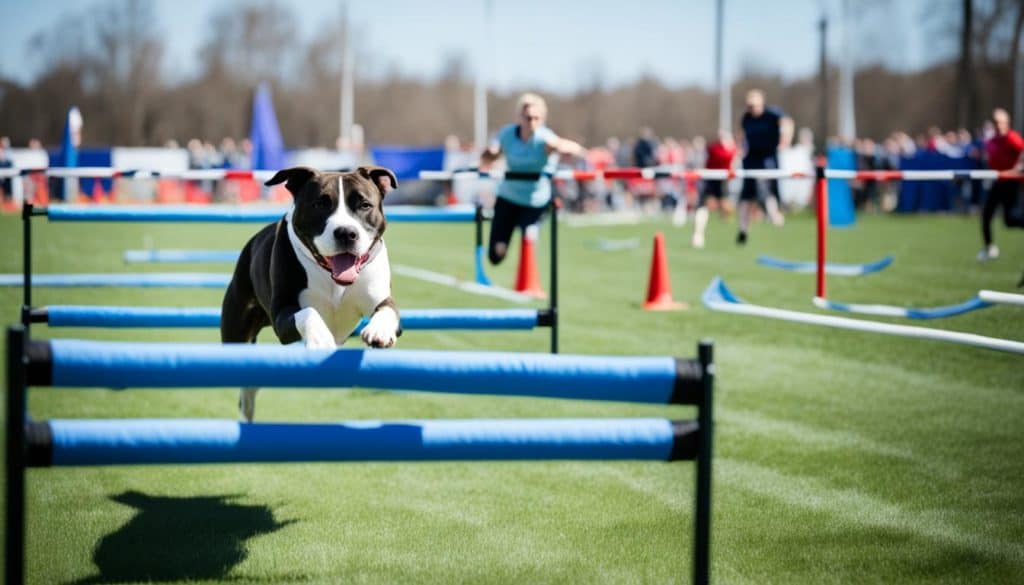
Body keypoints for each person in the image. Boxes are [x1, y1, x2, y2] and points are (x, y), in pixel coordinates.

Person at [479, 93, 587, 265]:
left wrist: (569, 149)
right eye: (528, 117)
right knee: (496, 255)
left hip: (535, 202)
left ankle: (531, 235)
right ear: (519, 117)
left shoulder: (545, 138)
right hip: (508, 199)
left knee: (529, 235)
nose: (532, 122)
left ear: (542, 119)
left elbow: (568, 147)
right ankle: (505, 247)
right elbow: (488, 157)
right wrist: (489, 155)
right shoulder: (507, 134)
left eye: (537, 118)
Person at [737, 89, 786, 244]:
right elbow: (740, 134)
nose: (752, 109)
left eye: (754, 106)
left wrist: (785, 141)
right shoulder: (746, 118)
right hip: (751, 158)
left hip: (768, 157)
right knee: (746, 196)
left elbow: (787, 122)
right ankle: (743, 230)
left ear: (761, 104)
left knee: (765, 184)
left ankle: (773, 214)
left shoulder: (772, 114)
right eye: (749, 106)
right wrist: (739, 148)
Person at [978, 108, 1024, 261]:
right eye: (995, 122)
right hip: (998, 181)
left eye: (1000, 122)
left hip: (1012, 182)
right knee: (986, 215)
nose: (998, 125)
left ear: (1006, 123)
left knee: (1010, 220)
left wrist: (1019, 166)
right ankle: (989, 247)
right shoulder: (992, 141)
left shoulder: (1012, 138)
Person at [691, 129, 737, 248]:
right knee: (703, 206)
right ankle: (698, 234)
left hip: (723, 181)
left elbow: (732, 162)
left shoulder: (731, 149)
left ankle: (724, 219)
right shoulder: (714, 148)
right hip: (711, 180)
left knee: (726, 206)